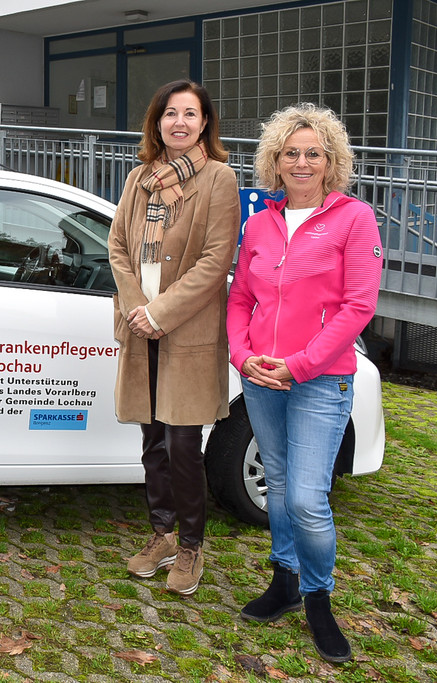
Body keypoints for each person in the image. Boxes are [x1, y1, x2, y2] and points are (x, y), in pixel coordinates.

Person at [226, 103, 382, 663]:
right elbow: (240, 297)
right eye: (290, 153)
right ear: (275, 161)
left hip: (319, 380)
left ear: (331, 162)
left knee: (308, 498)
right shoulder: (260, 223)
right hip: (262, 377)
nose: (301, 162)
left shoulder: (354, 219)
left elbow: (358, 306)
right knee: (279, 483)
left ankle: (319, 598)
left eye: (313, 153)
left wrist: (301, 364)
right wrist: (242, 355)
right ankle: (284, 580)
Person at [109, 80, 241, 596]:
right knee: (152, 443)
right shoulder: (138, 177)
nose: (179, 122)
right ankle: (162, 535)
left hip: (187, 330)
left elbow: (215, 261)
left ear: (204, 123)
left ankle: (190, 546)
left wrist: (160, 312)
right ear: (157, 122)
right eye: (170, 113)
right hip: (140, 329)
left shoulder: (219, 179)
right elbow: (118, 247)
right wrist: (136, 309)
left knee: (183, 444)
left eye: (190, 113)